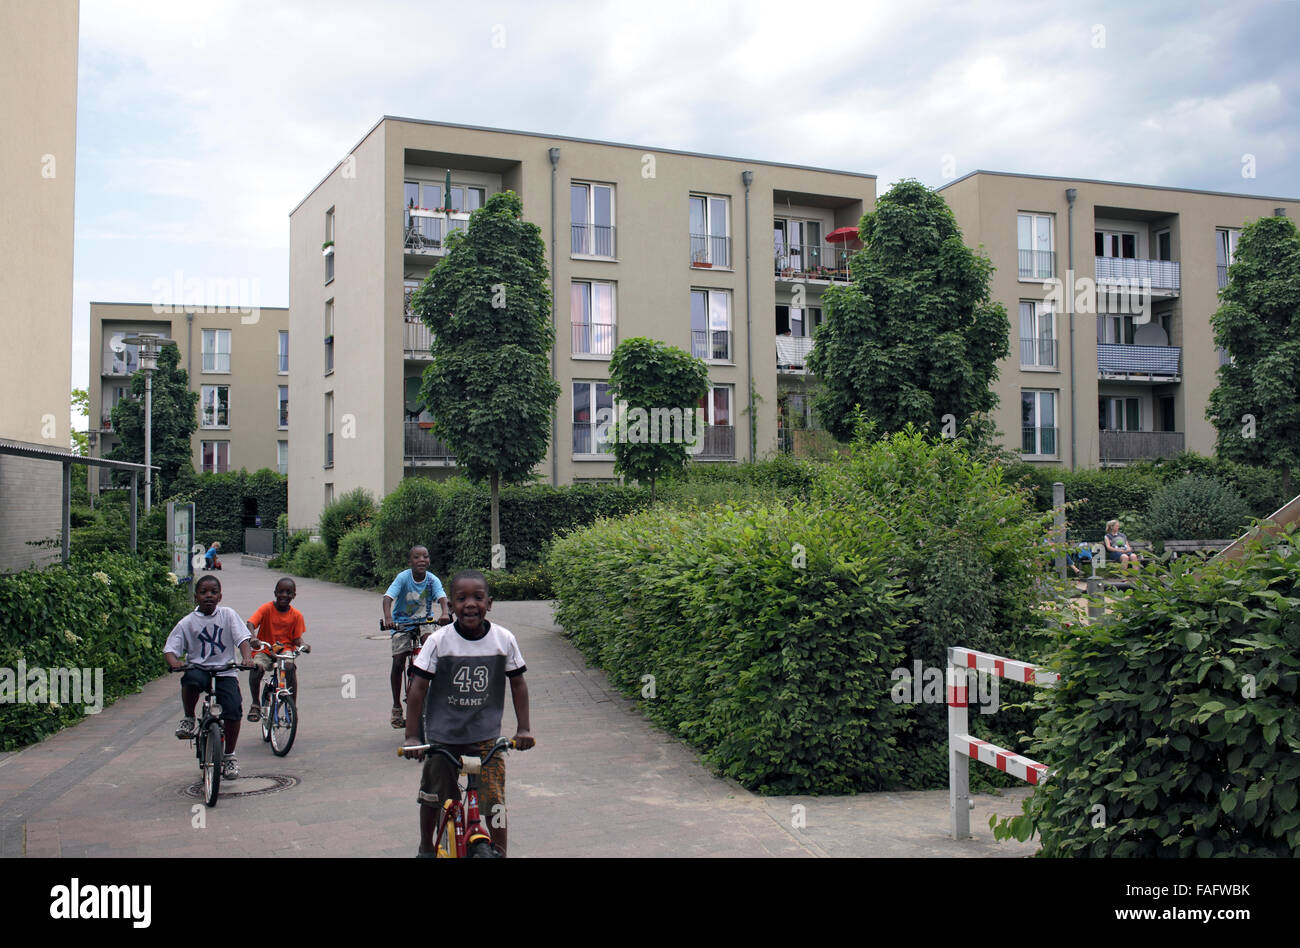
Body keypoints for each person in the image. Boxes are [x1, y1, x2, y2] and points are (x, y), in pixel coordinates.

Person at [402, 569, 534, 857]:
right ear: (451, 604)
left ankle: (499, 851)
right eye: (461, 598)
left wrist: (523, 729)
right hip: (444, 736)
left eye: (478, 597)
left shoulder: (503, 639)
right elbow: (418, 689)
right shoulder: (439, 641)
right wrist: (413, 736)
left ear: (490, 603)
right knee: (433, 795)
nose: (470, 604)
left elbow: (518, 683)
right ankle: (426, 846)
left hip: (486, 736)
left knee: (495, 801)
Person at [163, 574, 252, 779]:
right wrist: (175, 663)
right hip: (199, 669)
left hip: (225, 670)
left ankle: (229, 755)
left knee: (233, 710)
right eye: (203, 592)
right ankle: (188, 717)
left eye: (213, 592)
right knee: (191, 680)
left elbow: (243, 639)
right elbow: (170, 649)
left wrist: (247, 658)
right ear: (195, 597)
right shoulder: (187, 622)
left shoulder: (228, 615)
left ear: (220, 596)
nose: (209, 596)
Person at [382, 546, 451, 729]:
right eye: (417, 557)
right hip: (401, 623)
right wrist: (389, 618)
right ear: (409, 562)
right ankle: (397, 706)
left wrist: (445, 613)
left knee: (430, 647)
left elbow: (442, 598)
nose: (422, 560)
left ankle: (432, 693)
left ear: (429, 560)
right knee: (398, 661)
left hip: (425, 621)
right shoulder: (403, 578)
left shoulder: (432, 580)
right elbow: (388, 598)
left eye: (425, 556)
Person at [246, 577, 308, 722]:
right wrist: (253, 638)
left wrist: (303, 645)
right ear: (275, 593)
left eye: (288, 592)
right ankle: (255, 704)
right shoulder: (266, 609)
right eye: (281, 592)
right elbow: (250, 623)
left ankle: (292, 704)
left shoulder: (296, 615)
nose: (284, 595)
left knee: (290, 666)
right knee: (257, 667)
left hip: (284, 650)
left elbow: (297, 638)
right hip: (265, 649)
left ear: (294, 595)